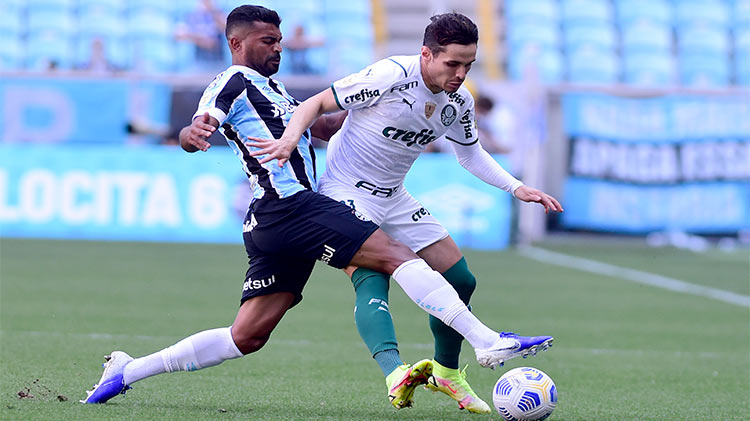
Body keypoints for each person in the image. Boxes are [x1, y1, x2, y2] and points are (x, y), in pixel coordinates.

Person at [80, 5, 551, 410]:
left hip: (279, 219)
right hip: (291, 207)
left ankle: (128, 370)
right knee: (395, 256)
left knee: (247, 336)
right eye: (268, 41)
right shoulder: (234, 80)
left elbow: (321, 127)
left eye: (281, 41)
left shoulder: (280, 93)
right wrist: (192, 135)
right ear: (236, 42)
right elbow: (201, 122)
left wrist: (371, 108)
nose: (278, 49)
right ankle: (485, 342)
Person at [247, 12, 563, 414]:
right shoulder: (390, 75)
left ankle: (447, 373)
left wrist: (517, 187)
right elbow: (317, 102)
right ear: (426, 54)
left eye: (468, 64)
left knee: (461, 278)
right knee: (373, 278)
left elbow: (470, 156)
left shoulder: (458, 101)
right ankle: (395, 372)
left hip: (394, 197)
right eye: (452, 63)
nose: (461, 73)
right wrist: (290, 139)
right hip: (347, 193)